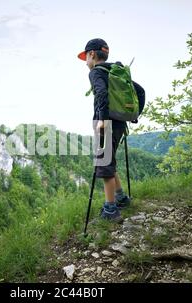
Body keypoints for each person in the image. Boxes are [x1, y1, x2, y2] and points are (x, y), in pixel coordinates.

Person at [77, 38, 131, 223]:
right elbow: (135, 92)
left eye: (86, 57)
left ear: (92, 54)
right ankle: (121, 198)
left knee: (104, 164)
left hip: (106, 123)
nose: (86, 62)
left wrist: (102, 120)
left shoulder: (96, 72)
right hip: (119, 122)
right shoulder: (114, 71)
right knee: (110, 160)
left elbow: (100, 93)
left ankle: (110, 210)